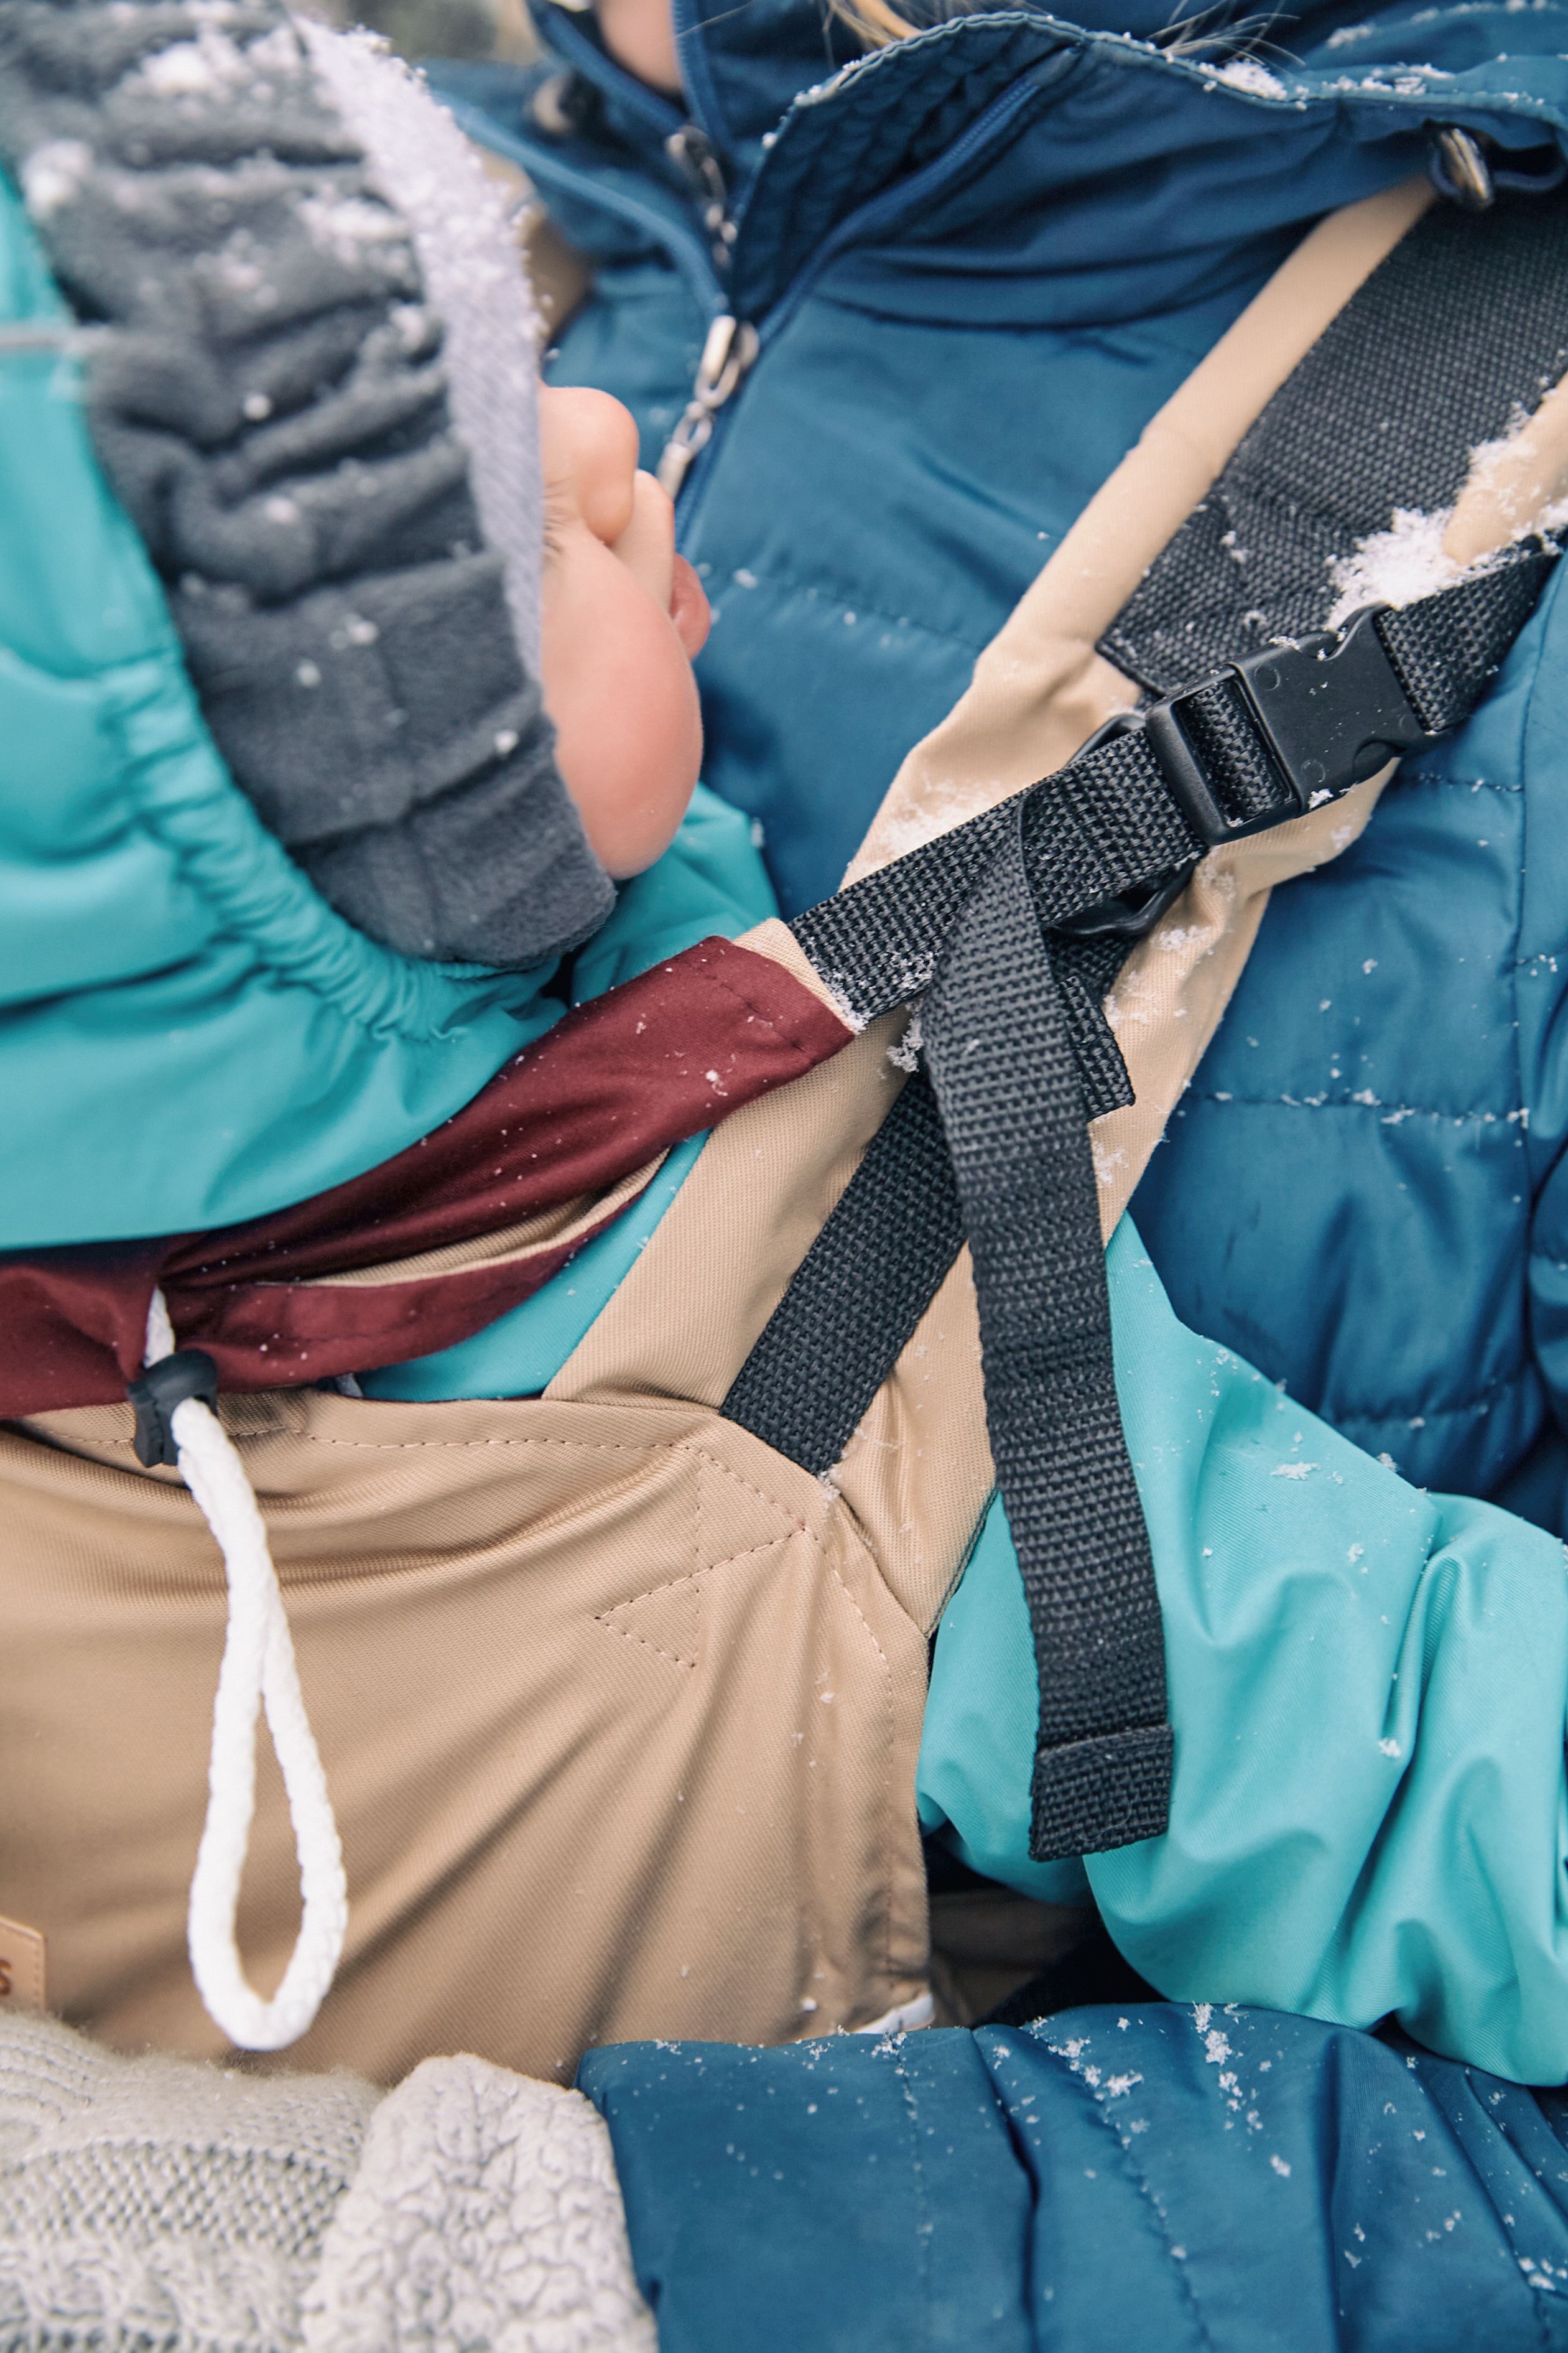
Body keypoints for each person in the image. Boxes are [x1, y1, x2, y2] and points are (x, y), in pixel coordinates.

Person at [5, 0, 1568, 2107]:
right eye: (498, 525)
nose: (586, 440)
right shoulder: (838, 1345)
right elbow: (1402, 1736)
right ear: (351, 844)